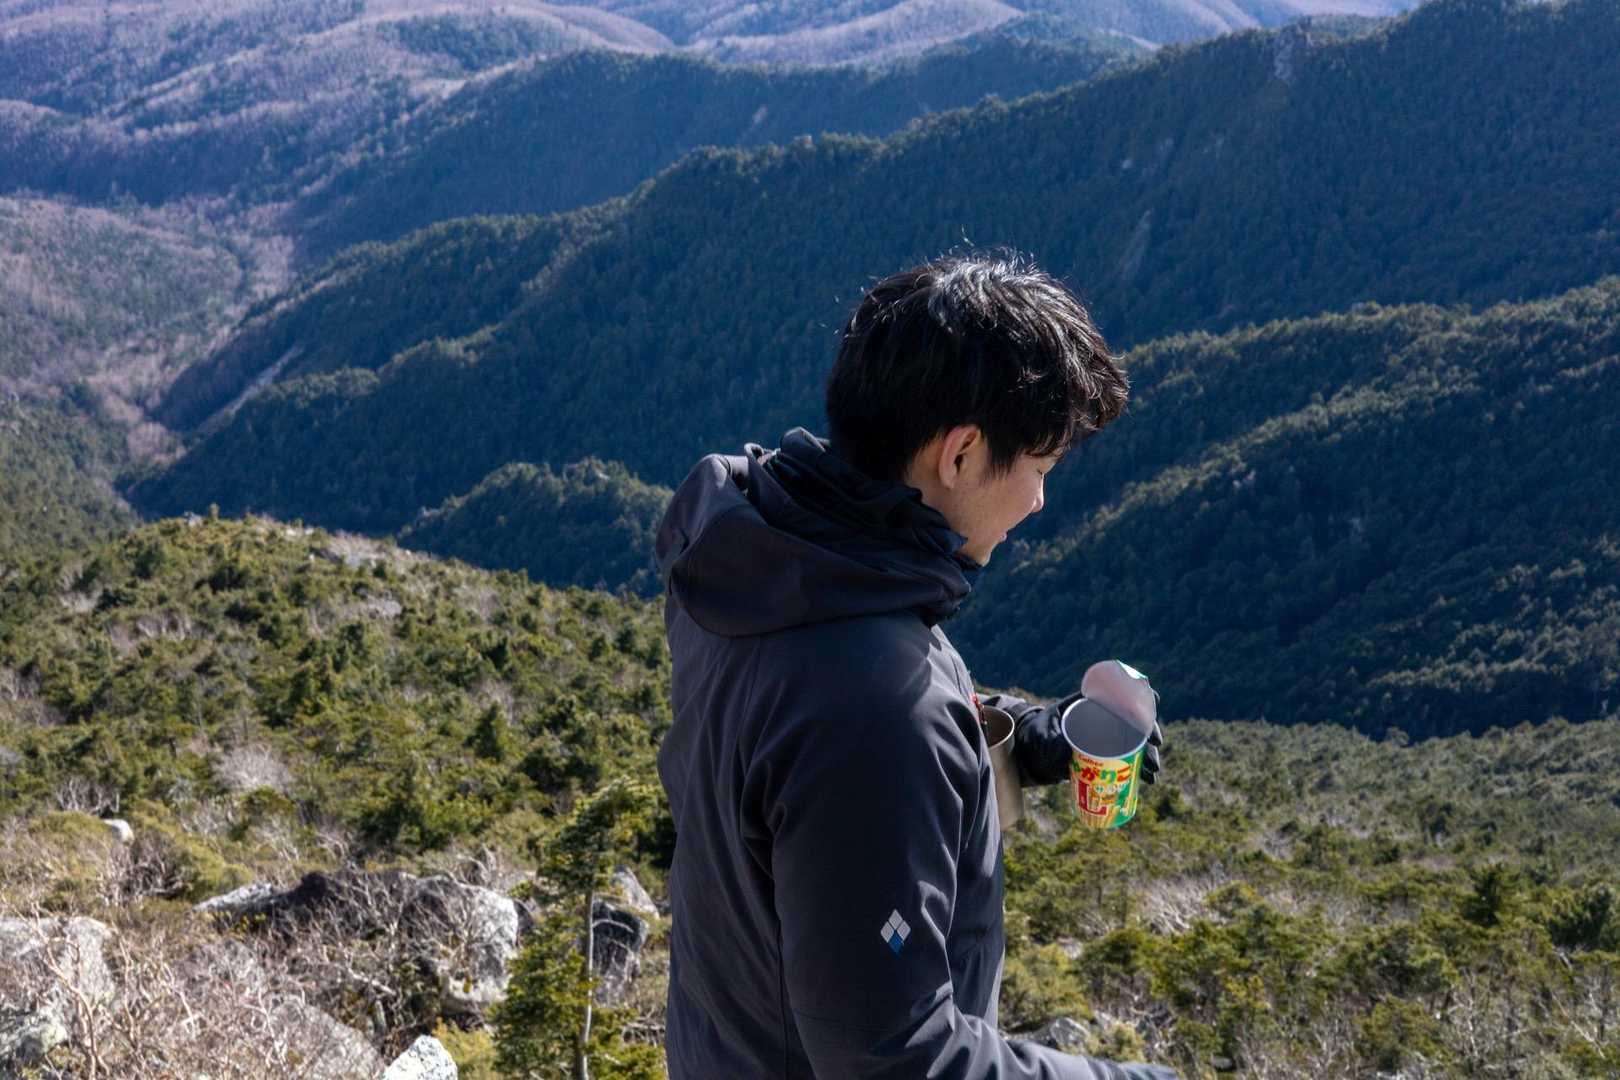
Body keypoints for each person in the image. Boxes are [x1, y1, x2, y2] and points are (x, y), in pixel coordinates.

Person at [654, 254, 1174, 1079]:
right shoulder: (876, 707)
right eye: (1039, 469)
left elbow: (800, 729)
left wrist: (1017, 733)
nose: (1040, 501)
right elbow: (895, 1058)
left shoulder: (750, 559)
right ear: (960, 454)